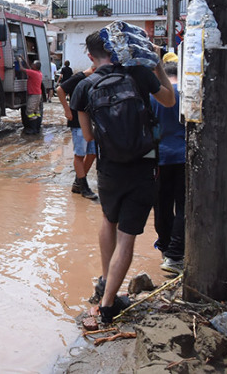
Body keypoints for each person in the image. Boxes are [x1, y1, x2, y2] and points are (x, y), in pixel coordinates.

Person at [70, 31, 175, 323]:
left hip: (109, 168)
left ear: (91, 56)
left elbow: (89, 136)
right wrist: (157, 67)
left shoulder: (84, 85)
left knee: (108, 220)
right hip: (143, 166)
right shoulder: (138, 73)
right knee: (127, 238)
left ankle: (106, 283)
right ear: (115, 49)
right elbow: (168, 101)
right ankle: (107, 305)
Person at [151, 58, 186, 275]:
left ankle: (165, 248)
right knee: (183, 206)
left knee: (161, 205)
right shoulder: (186, 94)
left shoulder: (153, 95)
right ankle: (175, 255)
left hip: (159, 158)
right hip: (183, 157)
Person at [56, 66, 99, 200]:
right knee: (80, 154)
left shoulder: (93, 78)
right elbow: (60, 89)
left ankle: (78, 182)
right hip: (77, 120)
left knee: (92, 153)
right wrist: (67, 110)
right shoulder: (80, 77)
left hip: (90, 121)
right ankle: (84, 187)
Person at [18, 56, 44, 134]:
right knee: (37, 111)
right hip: (37, 94)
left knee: (29, 111)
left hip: (34, 95)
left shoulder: (33, 73)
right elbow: (29, 67)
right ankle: (37, 128)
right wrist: (23, 59)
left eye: (33, 64)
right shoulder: (38, 73)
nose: (31, 65)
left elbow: (22, 69)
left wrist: (19, 61)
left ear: (35, 67)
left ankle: (33, 129)